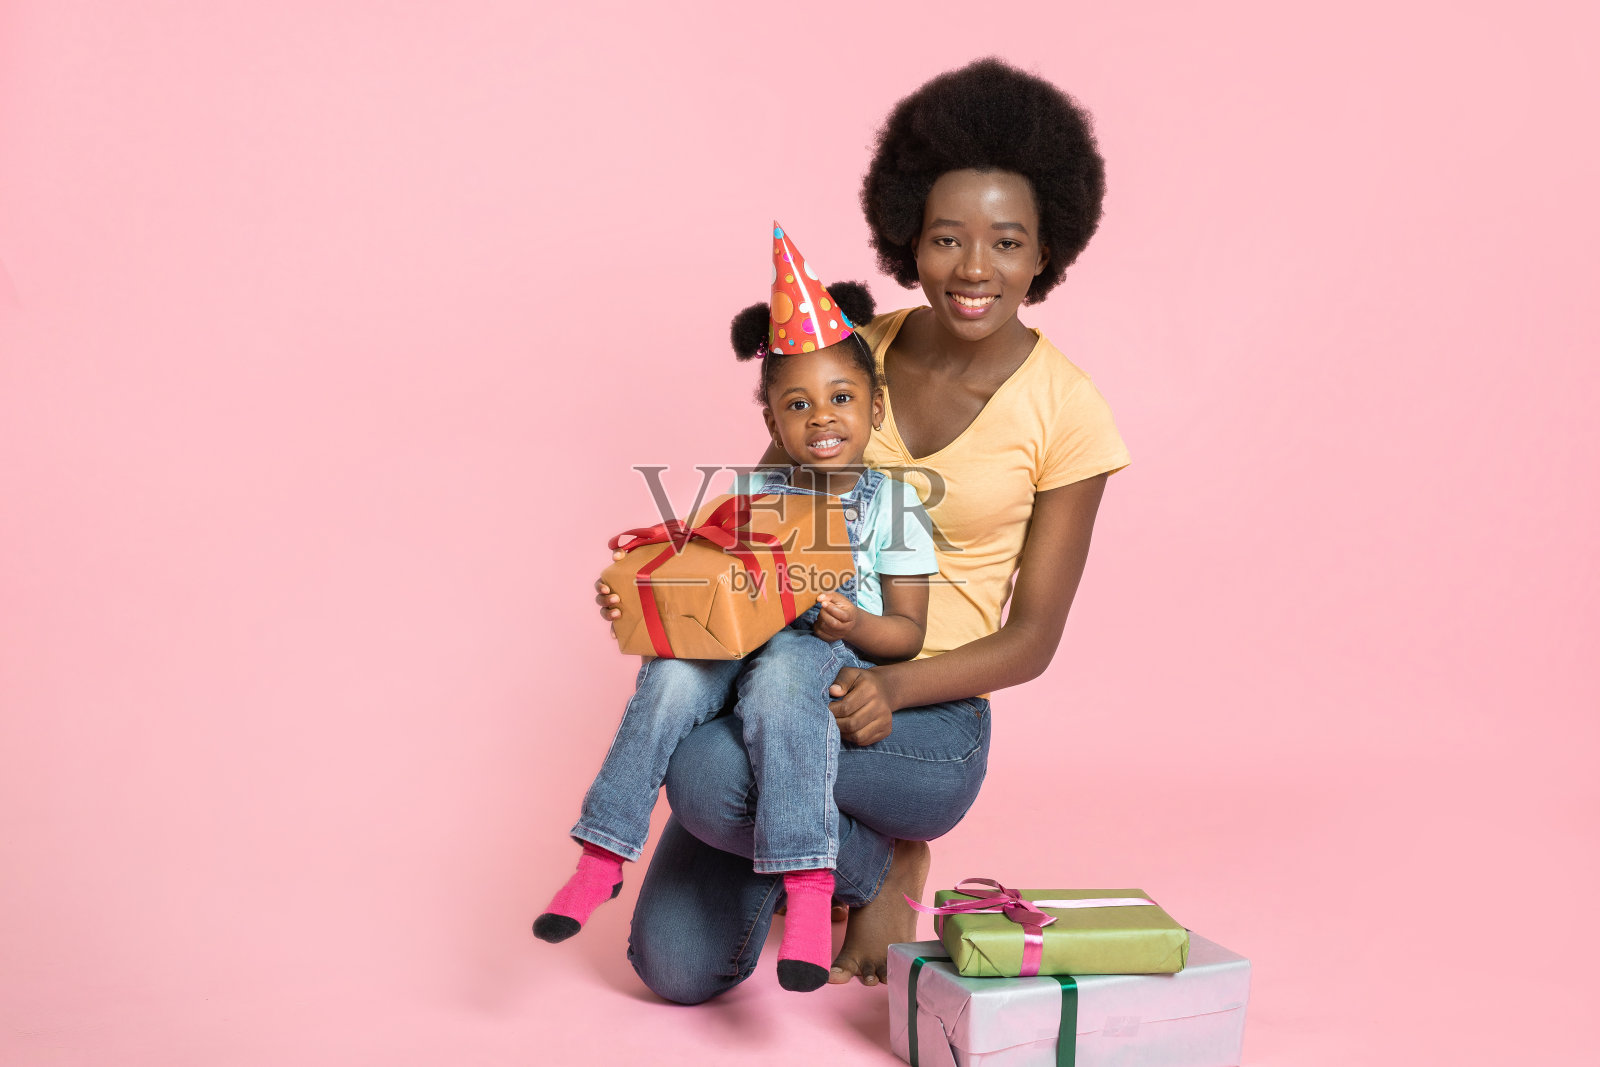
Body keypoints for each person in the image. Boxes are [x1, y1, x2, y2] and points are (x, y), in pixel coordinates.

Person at [600, 57, 1131, 1002]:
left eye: (1006, 243)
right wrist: (660, 590)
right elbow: (756, 527)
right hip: (783, 670)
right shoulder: (849, 353)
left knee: (713, 777)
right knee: (673, 967)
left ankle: (882, 862)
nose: (975, 270)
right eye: (946, 239)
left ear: (1047, 248)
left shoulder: (1069, 412)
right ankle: (840, 865)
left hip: (927, 714)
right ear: (906, 241)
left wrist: (893, 682)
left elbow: (1034, 638)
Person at [542, 225, 939, 992]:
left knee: (786, 674)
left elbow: (908, 635)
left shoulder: (895, 504)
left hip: (817, 651)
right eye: (799, 403)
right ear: (773, 423)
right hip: (738, 643)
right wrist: (639, 591)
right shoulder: (754, 494)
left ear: (875, 405)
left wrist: (852, 622)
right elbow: (709, 585)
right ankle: (602, 852)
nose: (822, 417)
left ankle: (809, 879)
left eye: (842, 397)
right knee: (671, 675)